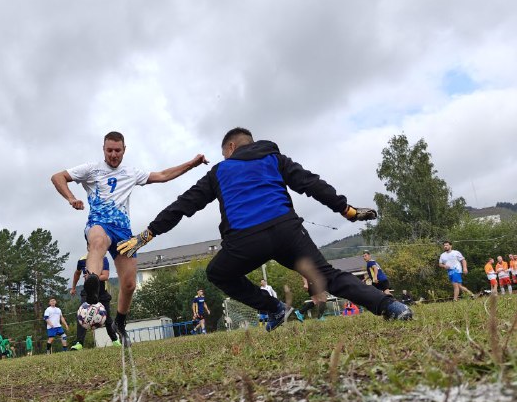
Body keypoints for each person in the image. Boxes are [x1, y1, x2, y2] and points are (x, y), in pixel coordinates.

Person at [117, 127, 413, 330]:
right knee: (327, 276)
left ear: (231, 148)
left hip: (245, 241)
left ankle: (273, 308)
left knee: (218, 273)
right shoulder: (275, 159)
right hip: (288, 233)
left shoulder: (220, 171)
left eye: (224, 153)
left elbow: (184, 204)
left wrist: (147, 235)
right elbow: (310, 184)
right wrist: (346, 209)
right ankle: (392, 308)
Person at [51, 130, 208, 347]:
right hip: (99, 224)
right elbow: (58, 177)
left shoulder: (131, 172)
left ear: (124, 150)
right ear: (103, 149)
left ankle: (120, 324)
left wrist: (192, 163)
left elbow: (162, 176)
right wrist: (71, 198)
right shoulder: (91, 169)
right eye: (109, 150)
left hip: (124, 234)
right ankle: (92, 285)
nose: (113, 155)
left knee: (129, 284)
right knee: (97, 241)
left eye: (117, 150)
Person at [69, 253, 121, 350]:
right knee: (81, 315)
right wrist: (73, 288)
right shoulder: (82, 260)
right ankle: (79, 343)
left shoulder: (103, 259)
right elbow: (77, 273)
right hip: (88, 292)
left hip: (101, 293)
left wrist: (92, 277)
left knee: (108, 318)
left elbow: (105, 276)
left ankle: (115, 340)